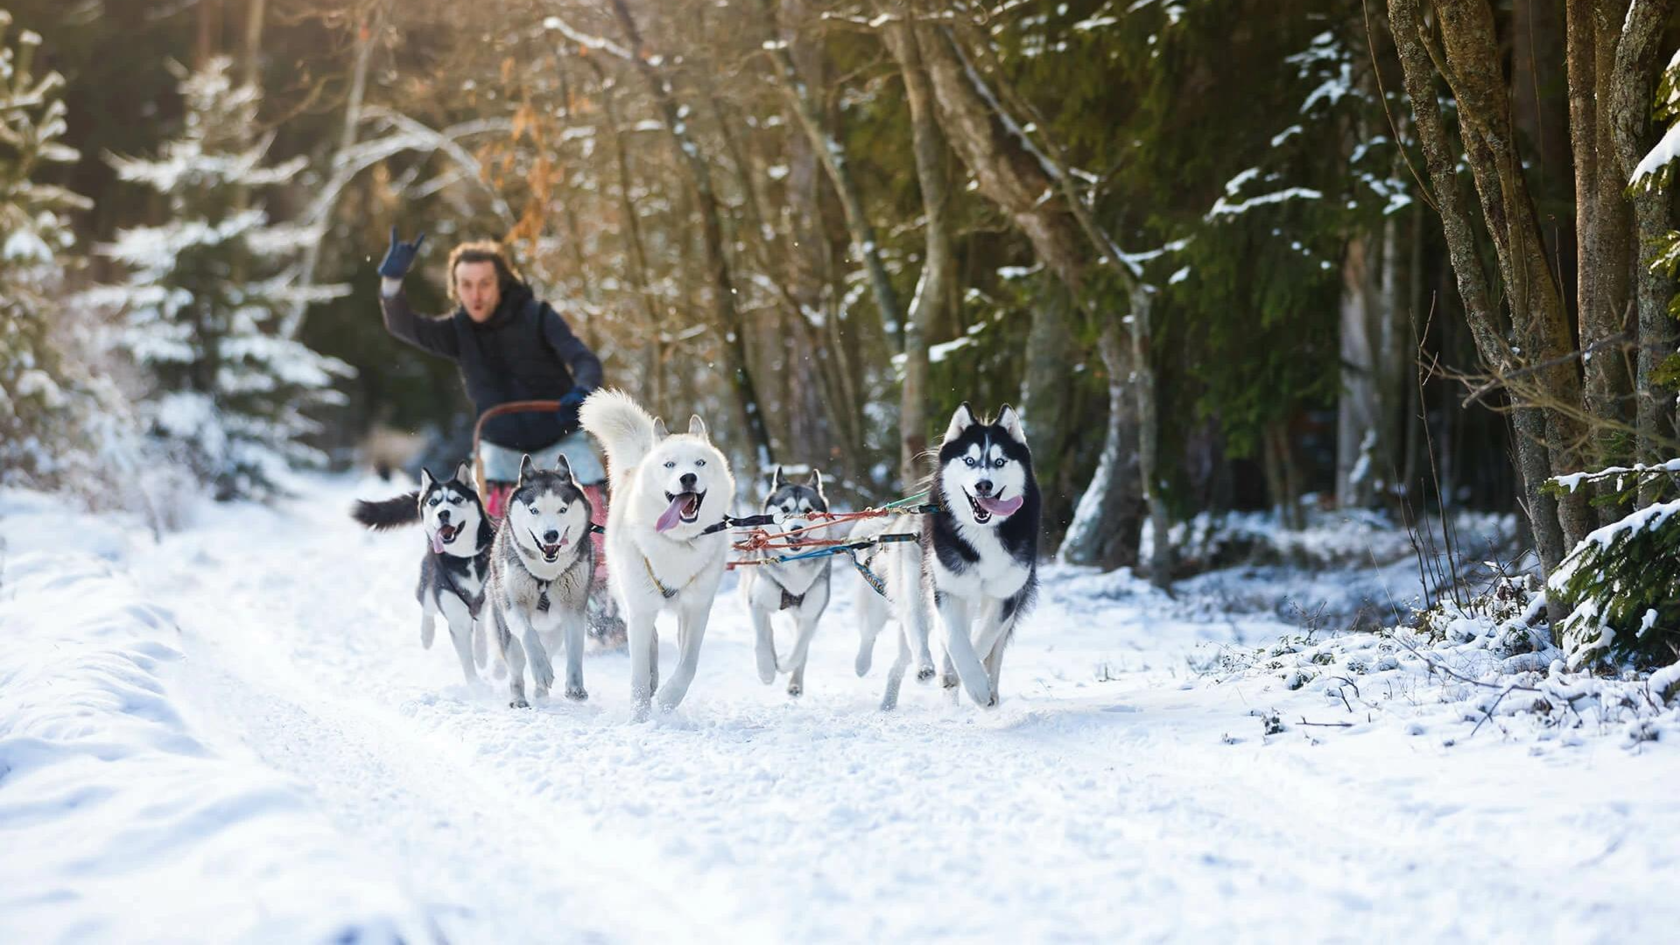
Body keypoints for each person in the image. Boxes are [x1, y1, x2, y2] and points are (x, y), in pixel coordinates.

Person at [375, 229, 606, 522]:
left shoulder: (538, 316)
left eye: (485, 284)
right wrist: (392, 282)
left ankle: (598, 561)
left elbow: (584, 358)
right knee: (486, 509)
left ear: (501, 283)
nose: (476, 294)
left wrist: (583, 390)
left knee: (589, 484)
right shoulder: (457, 331)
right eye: (466, 285)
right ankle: (494, 564)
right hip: (500, 448)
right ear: (455, 288)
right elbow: (403, 325)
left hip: (560, 440)